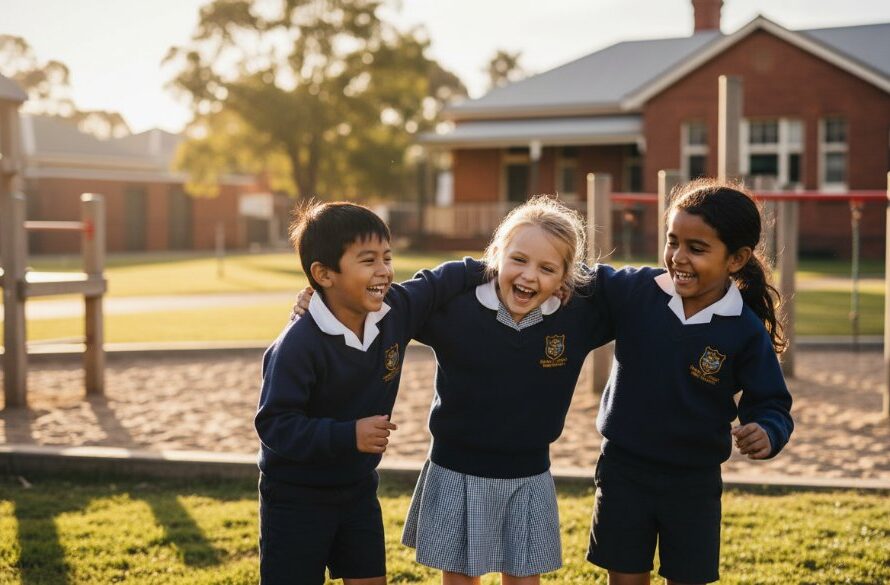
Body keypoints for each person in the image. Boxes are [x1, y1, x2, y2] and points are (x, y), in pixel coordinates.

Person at [255, 201, 484, 585]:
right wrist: (350, 434)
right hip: (295, 498)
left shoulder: (395, 310)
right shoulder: (298, 344)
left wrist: (510, 265)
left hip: (358, 490)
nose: (384, 271)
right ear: (324, 274)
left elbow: (446, 278)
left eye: (387, 257)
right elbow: (275, 425)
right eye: (368, 260)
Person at [586, 179, 794, 585]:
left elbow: (772, 402)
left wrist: (768, 430)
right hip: (623, 470)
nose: (678, 257)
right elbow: (573, 278)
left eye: (696, 249)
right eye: (672, 241)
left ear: (737, 259)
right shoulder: (635, 291)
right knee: (625, 578)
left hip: (693, 481)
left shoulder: (745, 330)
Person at [401, 196, 612, 585]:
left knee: (523, 579)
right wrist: (318, 301)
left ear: (565, 277)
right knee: (461, 577)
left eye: (547, 268)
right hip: (456, 468)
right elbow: (392, 306)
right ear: (495, 256)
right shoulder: (456, 309)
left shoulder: (576, 317)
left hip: (528, 473)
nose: (529, 276)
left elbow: (638, 295)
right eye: (518, 260)